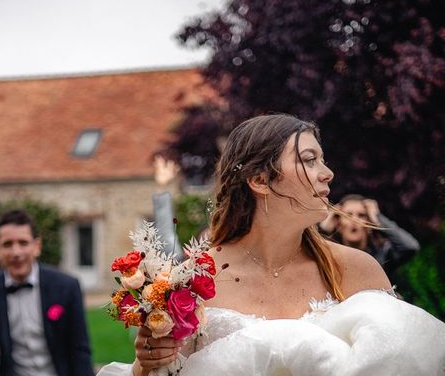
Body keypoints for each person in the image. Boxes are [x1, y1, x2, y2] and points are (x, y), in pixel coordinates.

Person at [98, 114, 445, 376]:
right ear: (260, 180)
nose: (328, 173)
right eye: (309, 160)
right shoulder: (193, 281)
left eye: (322, 160)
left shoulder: (356, 269)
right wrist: (146, 365)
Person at [0, 209, 94, 376]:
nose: (16, 253)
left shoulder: (67, 287)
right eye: (7, 244)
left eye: (23, 243)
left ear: (37, 246)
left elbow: (80, 349)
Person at [319, 194, 420, 278]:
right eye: (348, 215)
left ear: (369, 223)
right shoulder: (329, 254)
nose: (354, 220)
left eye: (361, 215)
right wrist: (323, 230)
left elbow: (410, 247)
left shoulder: (383, 254)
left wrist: (377, 218)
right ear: (338, 223)